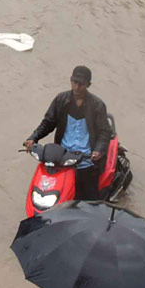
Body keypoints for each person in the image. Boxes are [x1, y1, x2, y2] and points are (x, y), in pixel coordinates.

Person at [23, 65, 111, 201]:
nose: (76, 87)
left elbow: (104, 133)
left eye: (80, 84)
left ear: (88, 84)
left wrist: (98, 151)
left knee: (90, 203)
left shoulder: (97, 105)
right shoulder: (61, 99)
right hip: (62, 157)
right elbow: (48, 123)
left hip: (86, 159)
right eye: (74, 82)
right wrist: (33, 138)